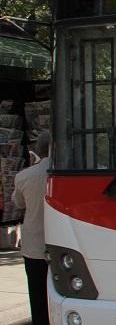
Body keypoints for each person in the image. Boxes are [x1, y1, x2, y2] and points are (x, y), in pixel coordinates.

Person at [12, 131, 51, 325]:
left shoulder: (24, 176)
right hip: (63, 243)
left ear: (38, 150)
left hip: (34, 244)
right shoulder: (64, 173)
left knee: (37, 294)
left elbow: (18, 203)